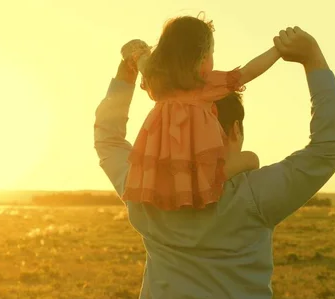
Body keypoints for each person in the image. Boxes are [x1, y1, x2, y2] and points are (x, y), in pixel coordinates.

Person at [93, 26, 335, 299]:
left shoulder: (143, 188)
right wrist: (312, 58)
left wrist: (127, 72)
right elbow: (331, 145)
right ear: (236, 130)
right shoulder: (255, 197)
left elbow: (108, 138)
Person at [120, 15, 281, 211]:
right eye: (212, 53)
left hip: (162, 168)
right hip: (203, 170)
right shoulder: (204, 85)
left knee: (167, 176)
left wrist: (136, 52)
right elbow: (248, 72)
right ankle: (199, 192)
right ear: (202, 57)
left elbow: (141, 60)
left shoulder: (157, 81)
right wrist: (277, 50)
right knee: (251, 158)